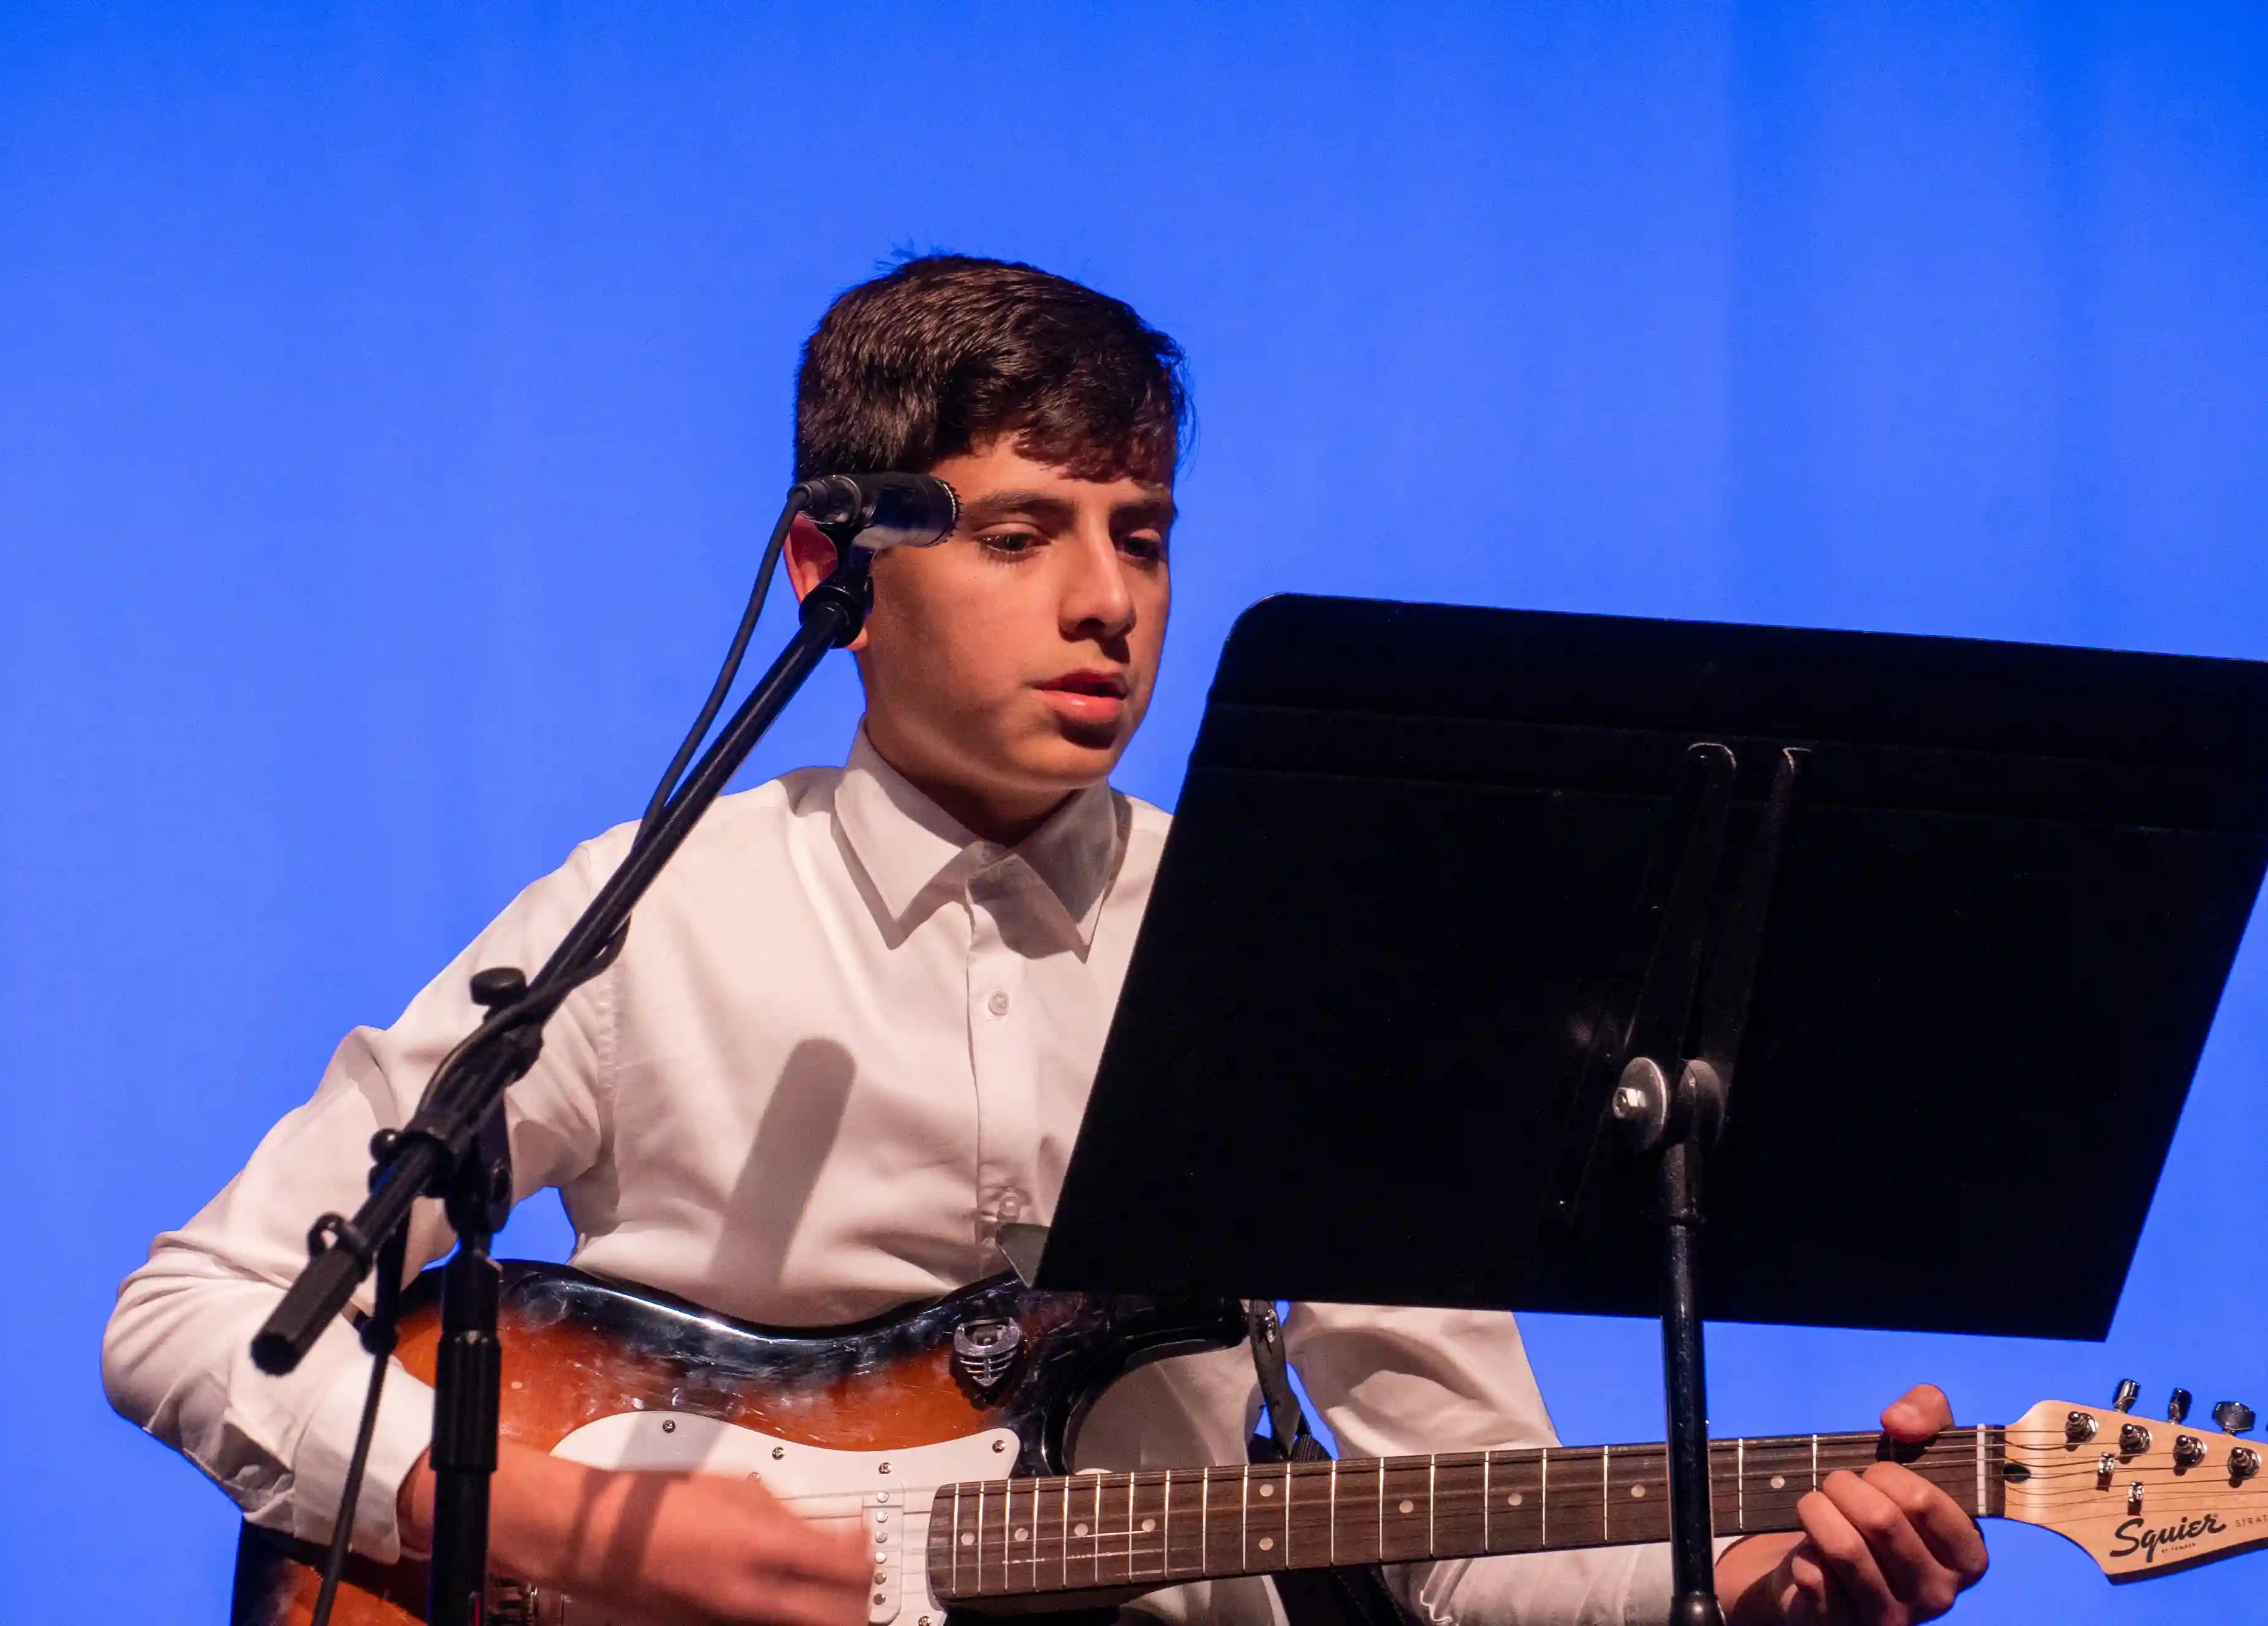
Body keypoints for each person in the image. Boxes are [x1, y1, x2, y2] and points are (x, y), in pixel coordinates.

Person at [103, 255, 1990, 1626]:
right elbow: (194, 1315)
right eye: (1021, 536)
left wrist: (1739, 1589)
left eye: (1144, 536)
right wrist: (557, 1528)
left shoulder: (1297, 943)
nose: (1107, 605)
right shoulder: (652, 917)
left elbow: (1453, 1529)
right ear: (826, 570)